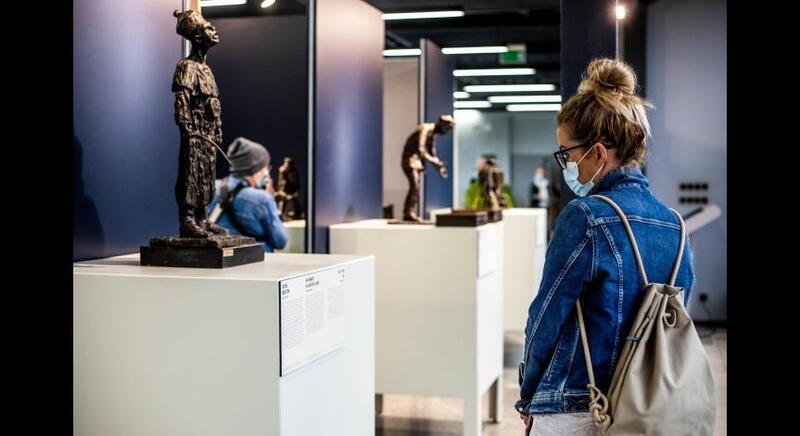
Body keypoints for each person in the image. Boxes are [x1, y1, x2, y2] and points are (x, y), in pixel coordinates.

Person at [515, 58, 696, 435]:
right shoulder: (676, 227)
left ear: (598, 153)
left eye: (567, 154)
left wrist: (528, 394)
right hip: (648, 409)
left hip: (580, 406)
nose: (567, 165)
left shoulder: (585, 216)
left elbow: (546, 316)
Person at [208, 137, 288, 252]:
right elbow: (280, 241)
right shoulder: (262, 199)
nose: (266, 173)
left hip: (217, 259)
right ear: (255, 169)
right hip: (256, 261)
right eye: (265, 167)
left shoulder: (212, 188)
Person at [401, 115, 453, 221]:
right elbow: (421, 149)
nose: (447, 131)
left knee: (416, 187)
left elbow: (432, 153)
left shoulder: (432, 134)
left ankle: (409, 212)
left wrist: (439, 167)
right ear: (442, 124)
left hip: (416, 162)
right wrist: (434, 162)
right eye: (447, 128)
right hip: (410, 160)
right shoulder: (425, 128)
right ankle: (408, 212)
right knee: (415, 186)